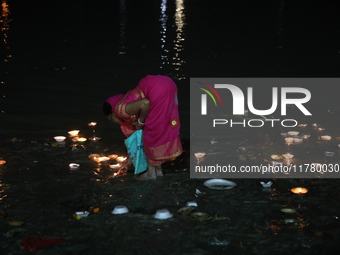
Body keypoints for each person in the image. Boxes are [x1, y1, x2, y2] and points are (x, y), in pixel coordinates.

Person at [103, 75, 183, 180]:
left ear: (113, 113)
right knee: (161, 125)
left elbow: (145, 103)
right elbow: (135, 141)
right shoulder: (124, 101)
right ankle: (158, 171)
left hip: (157, 88)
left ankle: (151, 174)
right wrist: (128, 163)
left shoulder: (122, 109)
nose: (115, 122)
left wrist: (140, 122)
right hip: (168, 83)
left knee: (151, 131)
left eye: (112, 119)